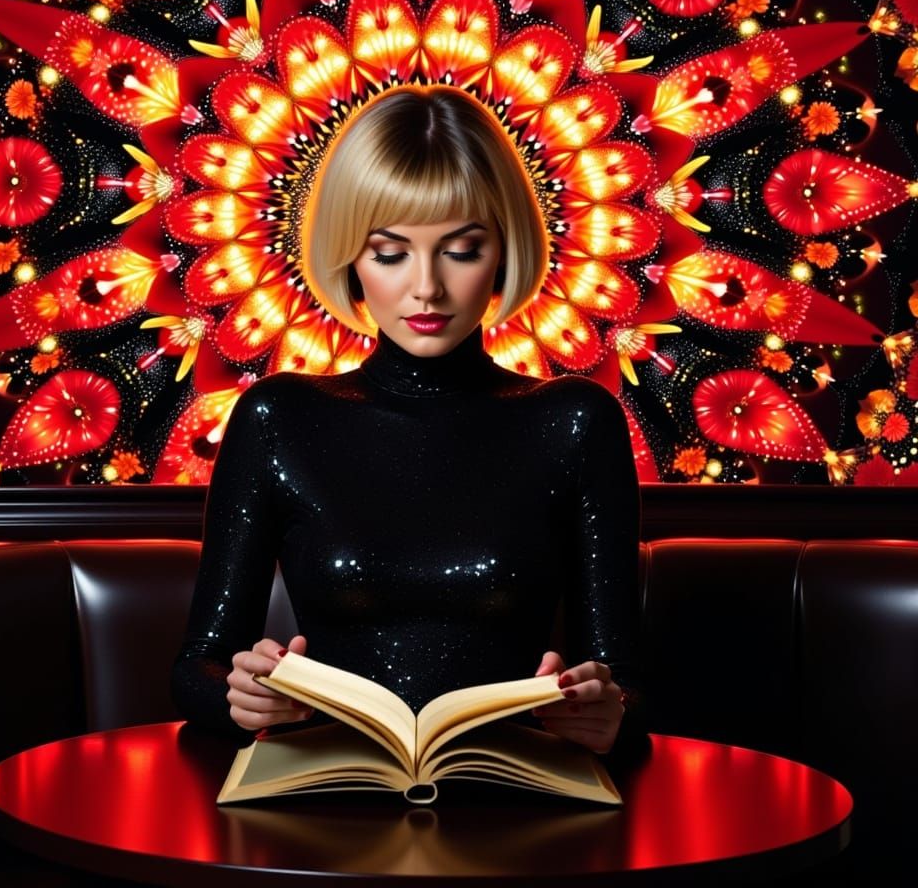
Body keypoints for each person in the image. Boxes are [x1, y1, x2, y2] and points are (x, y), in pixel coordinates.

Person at [171, 84, 645, 758]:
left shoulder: (575, 421)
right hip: (328, 798)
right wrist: (240, 698)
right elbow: (196, 668)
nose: (426, 287)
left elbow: (626, 683)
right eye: (390, 253)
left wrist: (607, 713)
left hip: (512, 802)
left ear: (505, 252)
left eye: (460, 250)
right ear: (350, 259)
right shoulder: (278, 417)